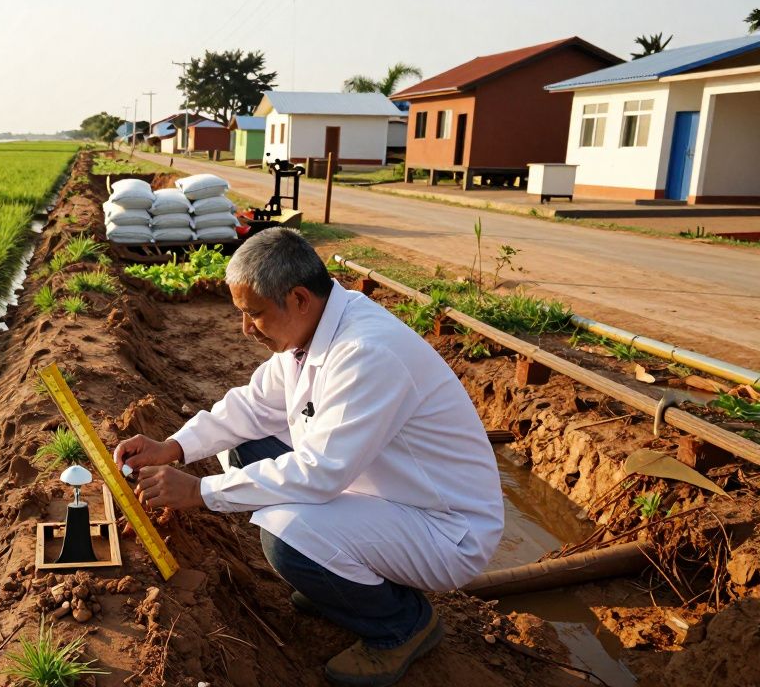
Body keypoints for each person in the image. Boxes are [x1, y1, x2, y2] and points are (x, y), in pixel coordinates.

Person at [114, 228, 503, 687]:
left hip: (442, 526)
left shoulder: (365, 352)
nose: (245, 329)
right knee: (245, 447)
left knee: (287, 538)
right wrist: (173, 446)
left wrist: (200, 491)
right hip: (380, 490)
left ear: (298, 298)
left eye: (253, 314)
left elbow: (320, 472)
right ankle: (342, 581)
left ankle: (401, 624)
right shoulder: (313, 330)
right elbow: (254, 406)